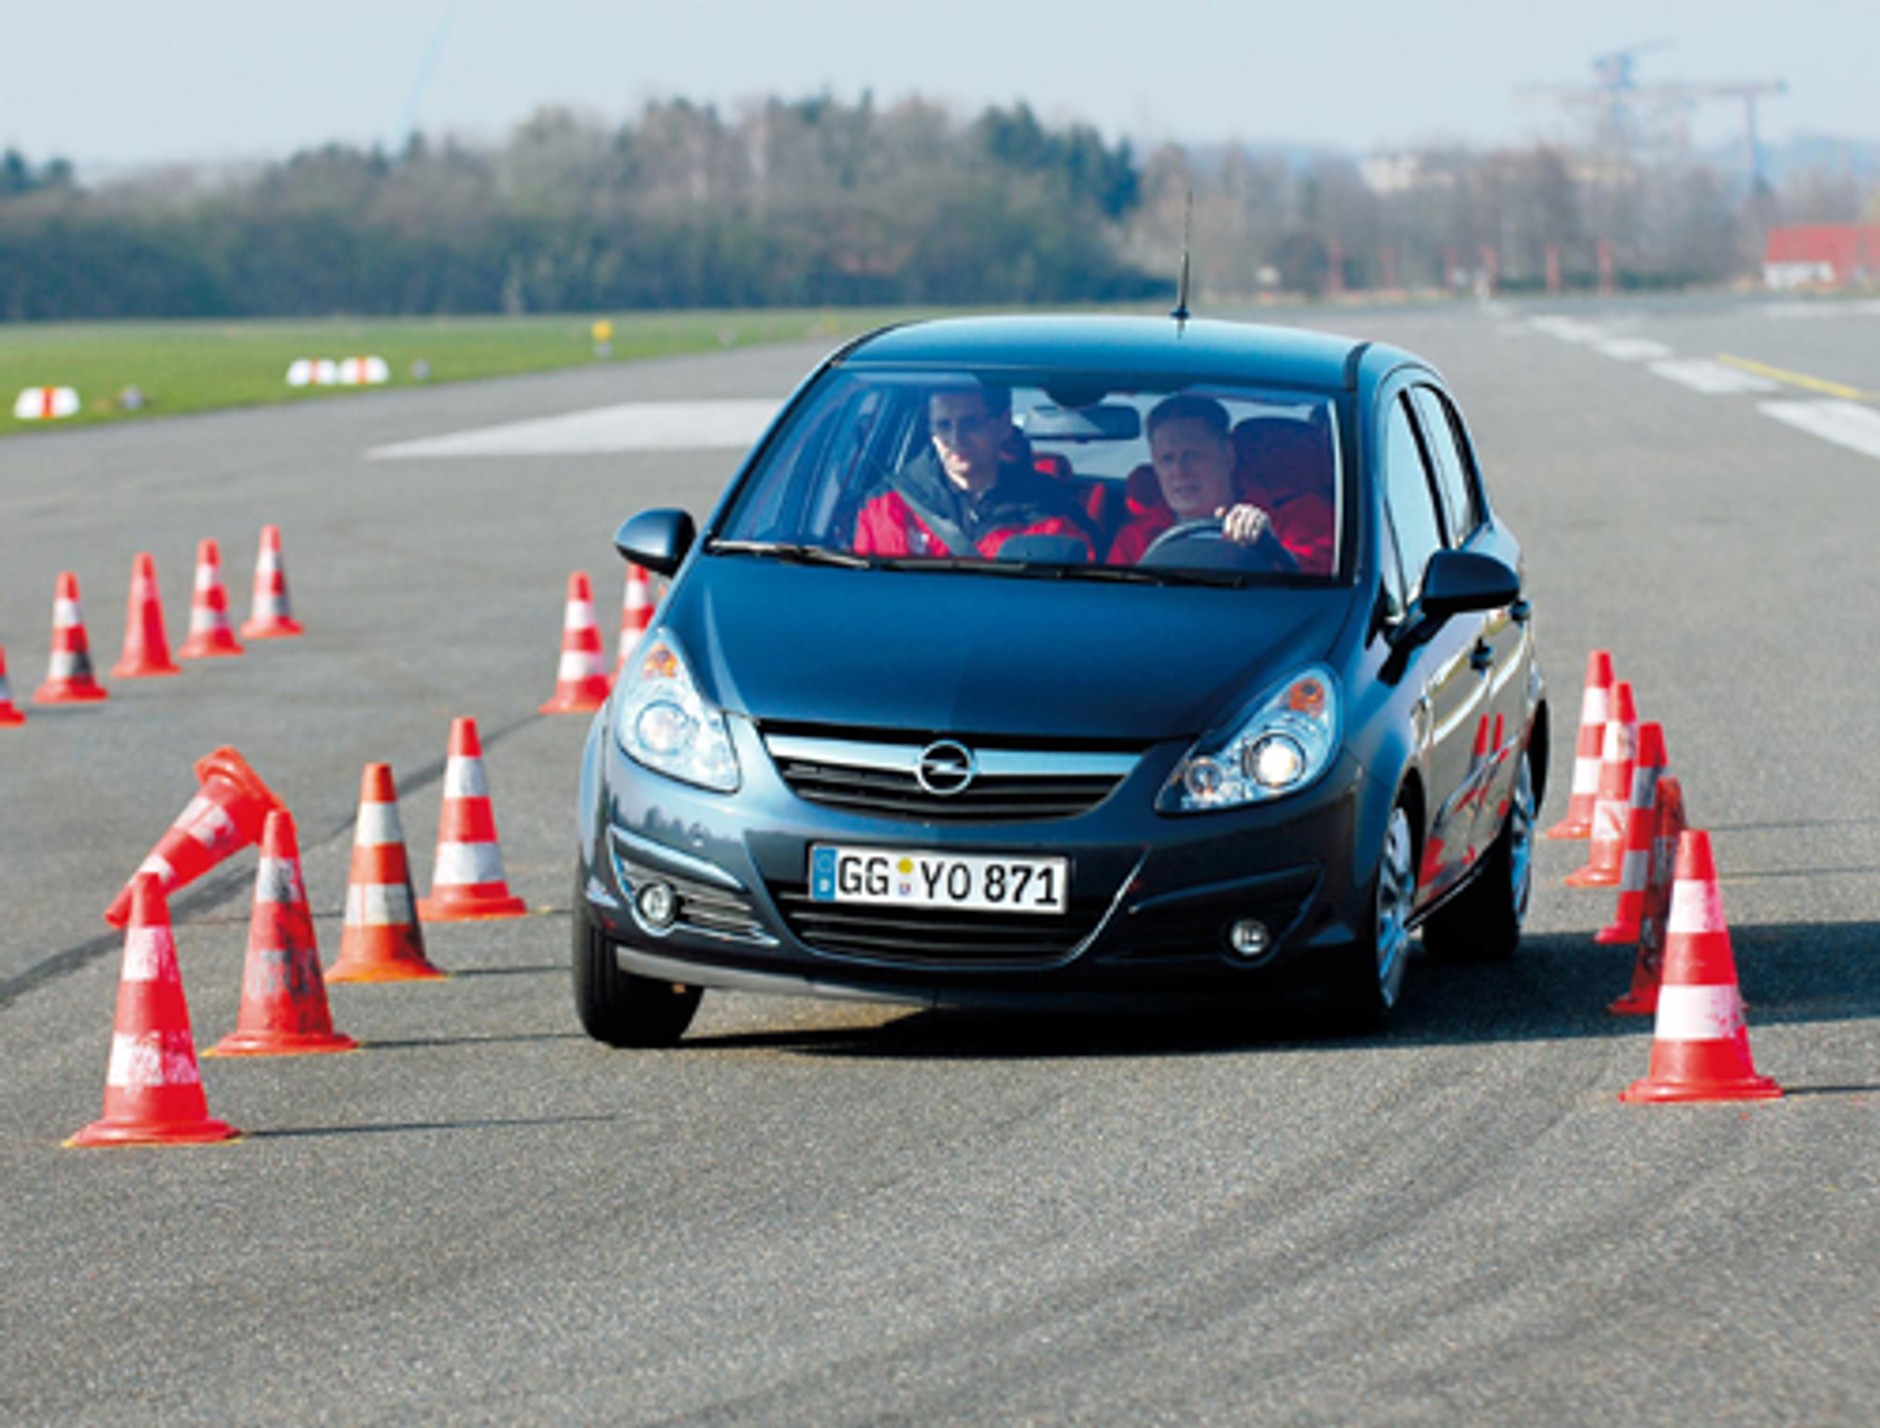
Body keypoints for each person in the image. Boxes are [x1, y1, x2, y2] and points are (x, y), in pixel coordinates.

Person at [852, 383, 1096, 558]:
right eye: (943, 425)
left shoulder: (1053, 509)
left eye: (969, 423)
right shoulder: (883, 507)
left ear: (1003, 425)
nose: (955, 439)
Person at [1106, 394, 1273, 565]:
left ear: (1228, 456)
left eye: (1193, 456)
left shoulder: (1280, 522)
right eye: (1167, 458)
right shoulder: (1136, 539)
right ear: (1155, 466)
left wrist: (1268, 545)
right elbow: (1111, 591)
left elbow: (1298, 582)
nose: (1180, 472)